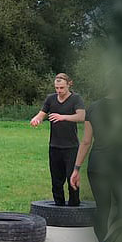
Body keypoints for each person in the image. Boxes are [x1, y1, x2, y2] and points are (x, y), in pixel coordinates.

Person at [71, 93, 113, 242]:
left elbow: (86, 141)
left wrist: (76, 168)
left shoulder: (94, 107)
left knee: (103, 209)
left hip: (97, 165)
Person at [31, 73, 86, 206]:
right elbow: (42, 113)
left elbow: (81, 117)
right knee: (56, 180)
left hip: (71, 147)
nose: (59, 91)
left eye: (61, 88)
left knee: (71, 178)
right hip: (54, 146)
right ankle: (58, 206)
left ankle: (74, 205)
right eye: (56, 88)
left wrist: (63, 117)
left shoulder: (76, 99)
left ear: (69, 84)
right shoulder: (51, 99)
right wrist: (37, 119)